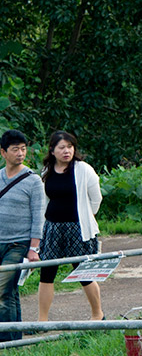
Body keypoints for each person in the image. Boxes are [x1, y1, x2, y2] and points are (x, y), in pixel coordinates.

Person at [37, 131, 104, 322]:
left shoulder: (83, 169)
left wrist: (86, 217)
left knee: (84, 272)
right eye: (62, 147)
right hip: (52, 228)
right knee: (47, 273)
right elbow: (44, 200)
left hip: (78, 228)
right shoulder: (47, 170)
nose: (67, 151)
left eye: (70, 147)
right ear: (52, 150)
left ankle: (97, 314)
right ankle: (42, 320)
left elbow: (96, 198)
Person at [0, 130, 44, 342]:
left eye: (23, 149)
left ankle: (5, 341)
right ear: (3, 152)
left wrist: (33, 248)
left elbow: (38, 216)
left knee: (3, 290)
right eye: (15, 149)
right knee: (10, 292)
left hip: (19, 244)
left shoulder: (33, 180)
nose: (20, 153)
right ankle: (15, 339)